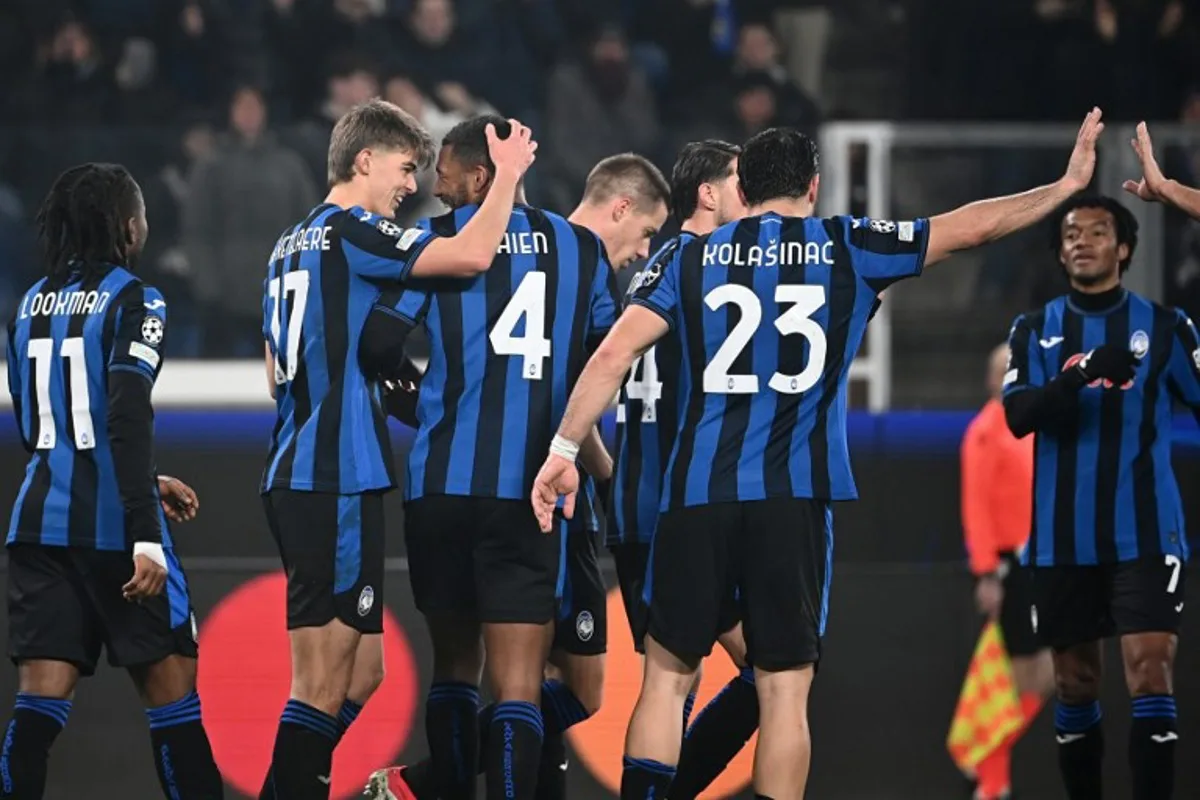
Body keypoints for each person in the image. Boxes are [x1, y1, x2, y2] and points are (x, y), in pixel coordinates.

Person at [530, 108, 1106, 799]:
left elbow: (614, 353)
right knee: (783, 693)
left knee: (665, 678)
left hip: (693, 498)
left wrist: (565, 448)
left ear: (739, 186)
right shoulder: (847, 245)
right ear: (815, 184)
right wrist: (1065, 185)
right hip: (791, 499)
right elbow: (972, 225)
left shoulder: (686, 255)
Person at [364, 148, 669, 800]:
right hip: (530, 492)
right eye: (646, 233)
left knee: (453, 667)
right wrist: (603, 468)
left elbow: (377, 343)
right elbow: (596, 373)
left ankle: (424, 788)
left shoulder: (439, 239)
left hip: (439, 484)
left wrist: (422, 406)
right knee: (521, 685)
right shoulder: (578, 254)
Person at [258, 100, 536, 800]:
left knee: (364, 673)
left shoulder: (289, 241)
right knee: (320, 685)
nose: (411, 185)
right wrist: (505, 177)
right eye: (405, 167)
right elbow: (472, 254)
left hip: (306, 465)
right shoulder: (354, 230)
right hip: (334, 473)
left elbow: (272, 368)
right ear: (363, 161)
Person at [1, 163, 222, 799]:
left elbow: (46, 429)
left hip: (40, 528)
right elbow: (125, 413)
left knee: (38, 712)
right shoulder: (137, 298)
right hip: (117, 536)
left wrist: (144, 479)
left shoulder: (28, 304)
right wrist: (145, 532)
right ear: (129, 226)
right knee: (175, 708)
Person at [1002, 192, 1200, 800]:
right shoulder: (1034, 331)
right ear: (1061, 254)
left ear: (1125, 249)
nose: (1081, 241)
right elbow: (1018, 416)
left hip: (1146, 531)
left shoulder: (1168, 329)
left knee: (1149, 671)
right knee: (1076, 682)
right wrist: (1081, 373)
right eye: (1069, 234)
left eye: (1096, 231)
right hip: (1063, 537)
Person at [604, 140, 763, 800]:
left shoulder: (650, 271)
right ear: (708, 193)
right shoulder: (705, 266)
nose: (751, 205)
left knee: (678, 676)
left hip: (634, 501)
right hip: (682, 503)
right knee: (769, 668)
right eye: (741, 188)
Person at [960, 344, 1054, 800]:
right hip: (1010, 566)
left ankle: (986, 755)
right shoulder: (986, 430)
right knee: (1014, 675)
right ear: (990, 379)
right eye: (1002, 369)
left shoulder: (1033, 425)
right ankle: (991, 774)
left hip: (1043, 563)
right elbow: (976, 505)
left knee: (1050, 673)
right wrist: (987, 573)